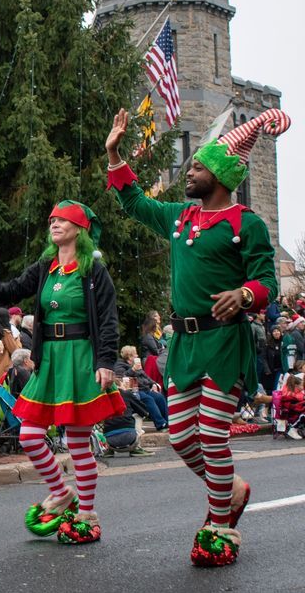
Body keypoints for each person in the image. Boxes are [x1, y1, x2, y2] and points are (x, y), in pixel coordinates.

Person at [105, 106, 285, 566]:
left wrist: (245, 294)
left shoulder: (248, 224)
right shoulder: (180, 217)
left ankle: (220, 523)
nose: (190, 173)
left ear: (221, 176)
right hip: (183, 345)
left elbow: (267, 281)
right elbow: (135, 203)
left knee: (210, 435)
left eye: (199, 167)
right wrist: (115, 154)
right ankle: (234, 490)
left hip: (225, 342)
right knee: (182, 438)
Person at [0, 199, 124, 545]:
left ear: (79, 228)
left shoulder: (92, 270)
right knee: (28, 434)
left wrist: (106, 362)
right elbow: (13, 290)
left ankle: (87, 513)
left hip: (81, 358)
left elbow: (108, 319)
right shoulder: (45, 266)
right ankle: (61, 492)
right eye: (52, 219)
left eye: (62, 219)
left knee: (77, 442)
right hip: (49, 360)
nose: (54, 223)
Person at [114, 346, 168, 430]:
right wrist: (133, 369)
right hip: (134, 391)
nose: (137, 355)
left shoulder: (136, 365)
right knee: (149, 399)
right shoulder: (120, 365)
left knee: (159, 397)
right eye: (135, 354)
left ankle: (167, 421)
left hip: (145, 389)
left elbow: (146, 376)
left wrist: (153, 384)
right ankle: (160, 423)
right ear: (130, 356)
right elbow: (122, 378)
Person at [102, 379, 154, 457]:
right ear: (120, 385)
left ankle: (109, 450)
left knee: (107, 418)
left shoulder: (103, 397)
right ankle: (136, 448)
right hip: (130, 439)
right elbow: (143, 411)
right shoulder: (126, 394)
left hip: (110, 442)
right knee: (138, 415)